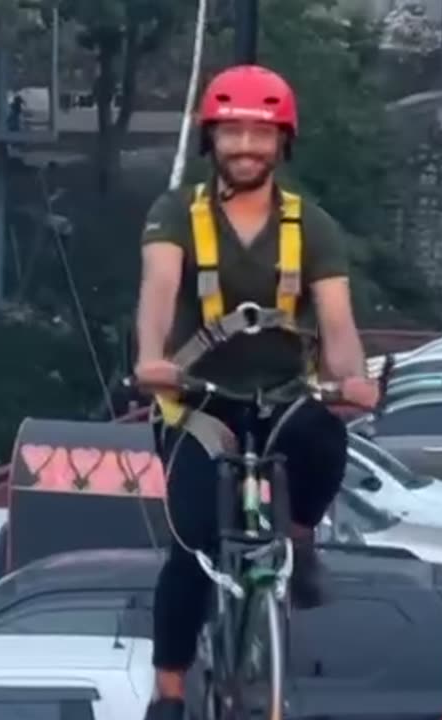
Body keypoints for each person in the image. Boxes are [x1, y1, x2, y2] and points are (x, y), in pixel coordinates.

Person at [131, 64, 379, 720]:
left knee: (325, 438)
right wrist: (152, 359)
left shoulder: (311, 226)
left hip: (283, 392)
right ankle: (171, 690)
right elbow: (158, 290)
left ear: (283, 145)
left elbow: (336, 321)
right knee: (190, 545)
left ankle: (298, 534)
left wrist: (350, 379)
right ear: (212, 139)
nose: (246, 147)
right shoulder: (176, 213)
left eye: (260, 135)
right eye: (233, 133)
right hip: (199, 399)